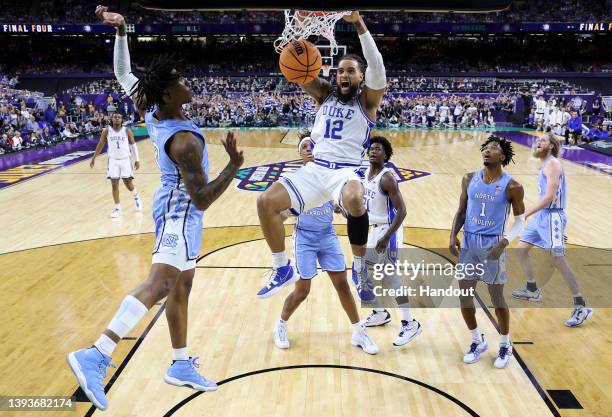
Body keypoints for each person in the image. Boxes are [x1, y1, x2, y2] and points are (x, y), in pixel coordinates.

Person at [67, 7, 244, 411]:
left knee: (181, 286)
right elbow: (201, 198)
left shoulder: (153, 109)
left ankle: (180, 363)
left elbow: (123, 74)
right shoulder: (185, 142)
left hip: (177, 211)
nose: (187, 82)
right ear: (167, 93)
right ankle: (96, 354)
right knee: (162, 284)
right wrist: (234, 166)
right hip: (183, 212)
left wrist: (123, 32)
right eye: (180, 81)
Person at [256, 11, 386, 302]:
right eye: (341, 70)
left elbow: (378, 67)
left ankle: (360, 267)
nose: (344, 74)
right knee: (265, 202)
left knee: (354, 198)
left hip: (346, 172)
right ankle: (281, 268)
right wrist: (297, 32)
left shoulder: (368, 101)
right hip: (315, 171)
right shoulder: (323, 93)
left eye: (351, 71)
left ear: (361, 77)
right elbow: (296, 68)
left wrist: (359, 24)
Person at [272, 134, 378, 355]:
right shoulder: (294, 180)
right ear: (300, 154)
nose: (309, 149)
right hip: (304, 238)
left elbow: (341, 208)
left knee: (342, 285)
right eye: (305, 147)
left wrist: (350, 211)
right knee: (302, 290)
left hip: (327, 235)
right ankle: (281, 324)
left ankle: (359, 332)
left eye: (313, 145)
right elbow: (280, 213)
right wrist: (284, 213)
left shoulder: (334, 175)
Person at [449, 135, 526, 369]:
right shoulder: (469, 178)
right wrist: (453, 235)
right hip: (470, 243)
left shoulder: (513, 186)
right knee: (464, 296)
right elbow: (461, 211)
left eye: (492, 148)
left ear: (502, 156)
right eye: (485, 148)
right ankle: (476, 340)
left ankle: (505, 343)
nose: (487, 151)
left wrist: (504, 243)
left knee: (496, 298)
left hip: (493, 245)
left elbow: (521, 221)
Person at [512, 133, 593, 327]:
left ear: (551, 146)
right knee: (521, 250)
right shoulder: (546, 163)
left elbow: (549, 197)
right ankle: (532, 290)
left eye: (542, 141)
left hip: (552, 216)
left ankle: (581, 305)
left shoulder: (553, 164)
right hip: (543, 217)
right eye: (537, 140)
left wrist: (525, 213)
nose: (537, 142)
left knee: (558, 260)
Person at [360, 136, 422, 346]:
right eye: (372, 148)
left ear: (385, 155)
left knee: (390, 277)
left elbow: (402, 211)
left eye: (378, 149)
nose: (373, 151)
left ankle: (410, 322)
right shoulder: (366, 175)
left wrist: (387, 238)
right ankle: (379, 312)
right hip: (373, 229)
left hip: (389, 231)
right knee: (358, 273)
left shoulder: (387, 178)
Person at [90, 113, 142, 217]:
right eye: (115, 117)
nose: (117, 119)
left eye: (119, 117)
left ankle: (136, 196)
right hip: (113, 160)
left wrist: (137, 159)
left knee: (128, 183)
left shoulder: (127, 130)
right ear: (112, 119)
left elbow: (133, 145)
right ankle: (117, 208)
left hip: (125, 159)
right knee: (114, 184)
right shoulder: (107, 131)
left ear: (122, 119)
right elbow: (100, 144)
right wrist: (94, 157)